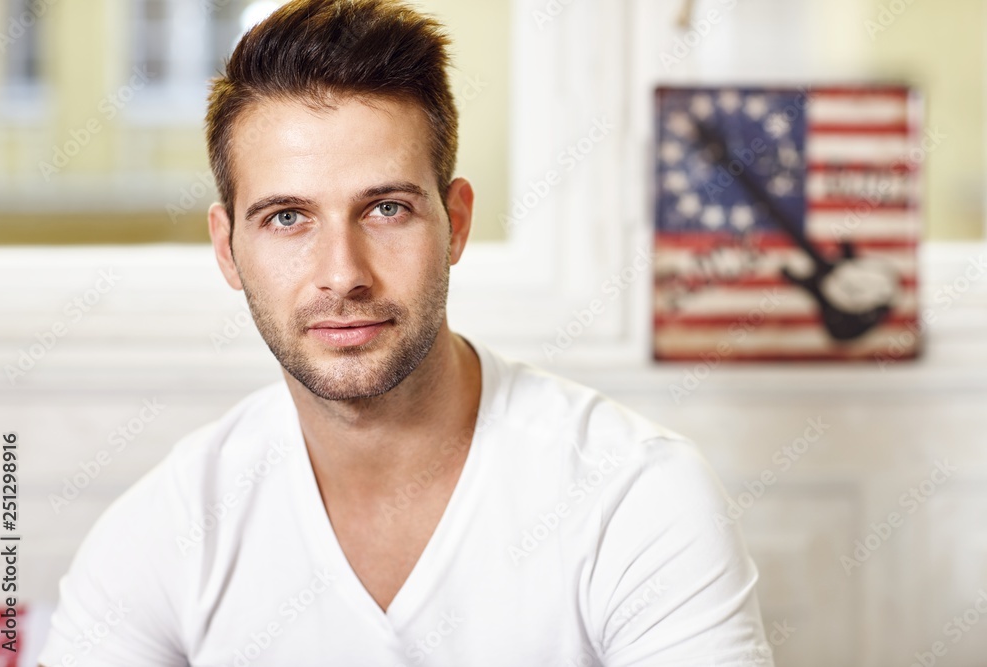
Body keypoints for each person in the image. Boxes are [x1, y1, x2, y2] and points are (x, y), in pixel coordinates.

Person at [38, 1, 773, 665]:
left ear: (455, 222)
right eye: (287, 217)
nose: (342, 273)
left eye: (385, 209)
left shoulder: (633, 496)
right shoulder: (164, 530)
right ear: (227, 248)